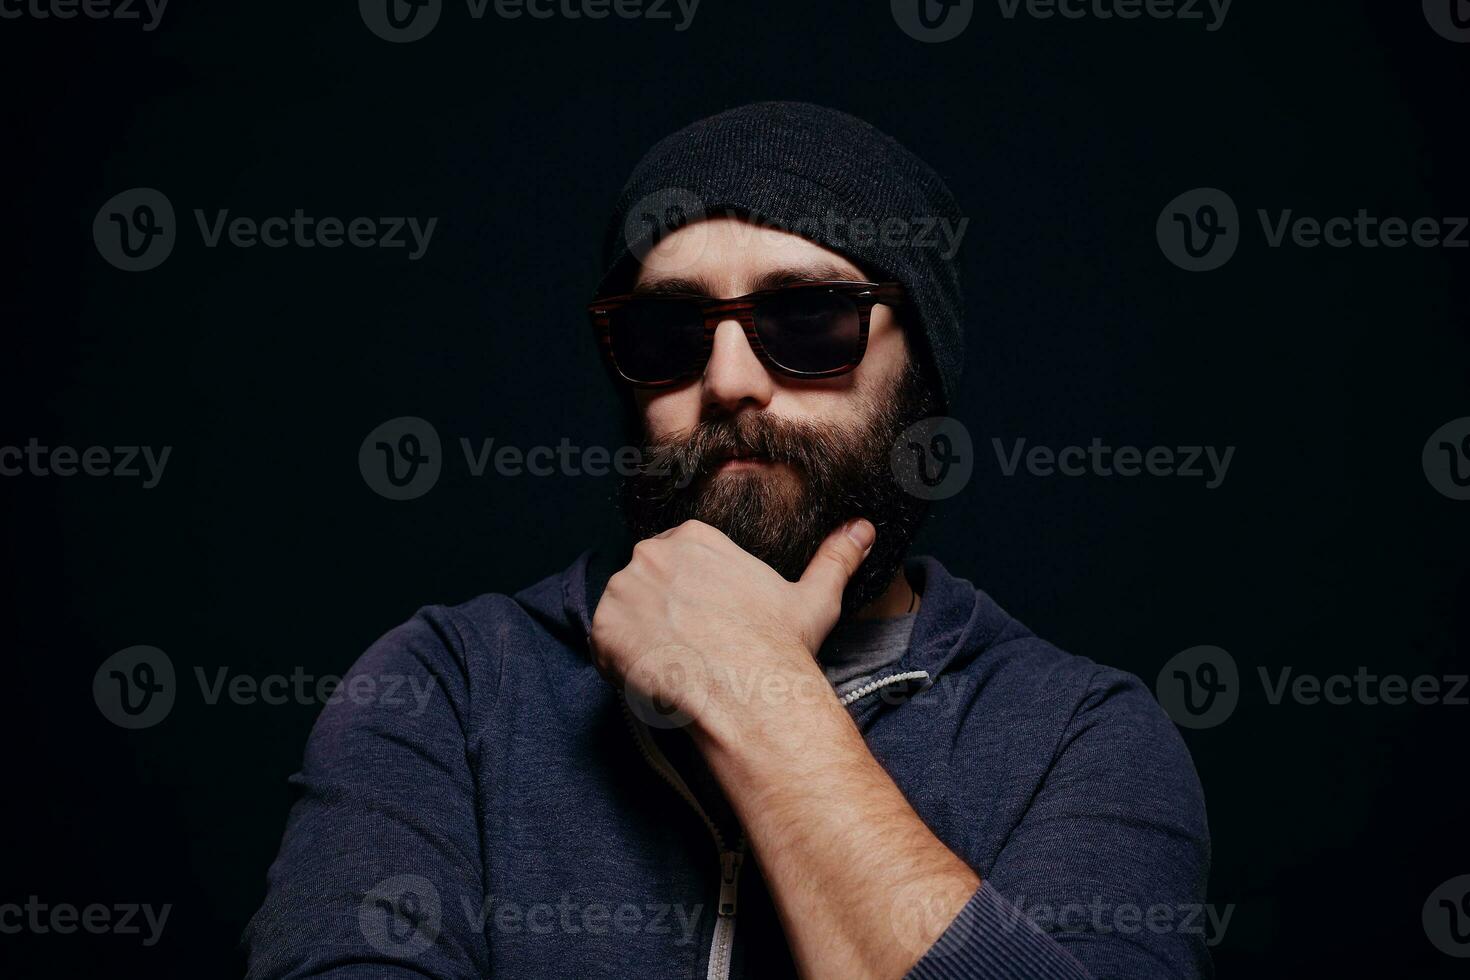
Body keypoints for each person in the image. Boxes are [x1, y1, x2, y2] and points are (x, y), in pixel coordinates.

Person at [245, 101, 1210, 979]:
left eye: (809, 317)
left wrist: (761, 695)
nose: (729, 378)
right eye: (670, 331)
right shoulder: (445, 690)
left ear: (922, 374)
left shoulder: (1084, 736)